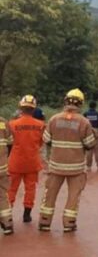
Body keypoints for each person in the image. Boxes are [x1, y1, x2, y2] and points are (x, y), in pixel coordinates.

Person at [39, 89, 96, 232]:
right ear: (81, 104)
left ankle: (44, 222)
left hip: (56, 165)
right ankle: (69, 224)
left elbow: (46, 139)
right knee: (73, 197)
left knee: (50, 194)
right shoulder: (84, 122)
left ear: (65, 101)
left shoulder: (54, 119)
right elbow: (90, 144)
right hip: (76, 168)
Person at [8, 95, 45, 223]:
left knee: (11, 188)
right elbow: (41, 142)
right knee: (30, 189)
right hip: (32, 161)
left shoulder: (12, 124)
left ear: (21, 108)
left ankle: (7, 214)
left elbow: (8, 142)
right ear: (33, 109)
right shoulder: (41, 125)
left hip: (15, 162)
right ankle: (27, 215)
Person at [84, 101, 98, 172]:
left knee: (89, 150)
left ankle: (88, 167)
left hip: (88, 132)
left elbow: (83, 122)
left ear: (89, 106)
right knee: (97, 150)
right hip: (96, 131)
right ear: (95, 106)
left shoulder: (86, 113)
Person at [0, 117, 12, 235]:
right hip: (1, 167)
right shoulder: (3, 122)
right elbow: (10, 143)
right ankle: (7, 224)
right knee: (2, 196)